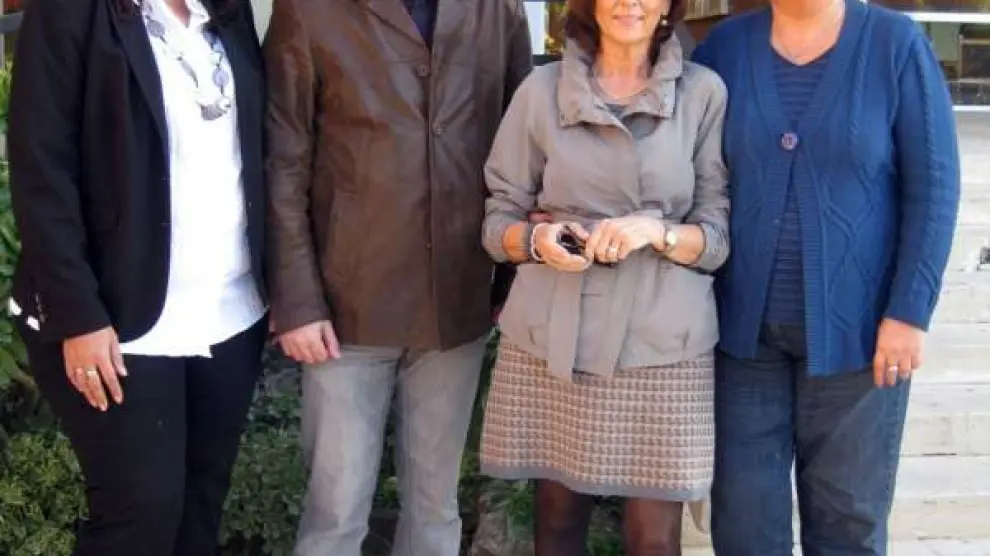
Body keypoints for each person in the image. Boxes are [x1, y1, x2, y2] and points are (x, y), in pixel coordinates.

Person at [261, 1, 532, 554]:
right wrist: (298, 302)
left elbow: (522, 150)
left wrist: (510, 282)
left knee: (435, 511)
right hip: (346, 307)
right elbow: (282, 162)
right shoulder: (310, 10)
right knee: (335, 513)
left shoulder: (498, 9)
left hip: (457, 297)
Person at [691, 0, 961, 553]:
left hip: (861, 338)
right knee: (743, 526)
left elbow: (934, 189)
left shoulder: (896, 46)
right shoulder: (726, 48)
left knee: (847, 524)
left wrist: (910, 311)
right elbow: (685, 164)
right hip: (741, 339)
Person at [6, 0, 267, 555]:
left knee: (200, 503)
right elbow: (42, 170)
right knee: (140, 512)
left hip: (230, 310)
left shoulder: (226, 9)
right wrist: (78, 314)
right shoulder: (70, 13)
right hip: (118, 316)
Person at [479, 0, 730, 552]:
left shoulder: (703, 93)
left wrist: (657, 231)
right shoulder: (541, 91)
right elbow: (497, 222)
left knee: (654, 539)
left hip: (664, 345)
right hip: (556, 337)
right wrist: (537, 242)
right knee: (557, 522)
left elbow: (716, 237)